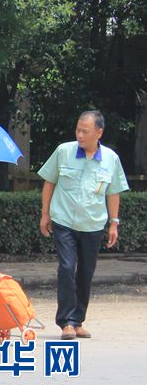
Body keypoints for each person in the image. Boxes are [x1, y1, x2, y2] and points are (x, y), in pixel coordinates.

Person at [38, 110, 129, 340]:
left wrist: (114, 223)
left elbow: (114, 192)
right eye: (78, 130)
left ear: (99, 132)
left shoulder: (111, 159)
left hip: (93, 224)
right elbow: (49, 182)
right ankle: (66, 322)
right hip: (64, 221)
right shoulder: (63, 151)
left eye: (85, 131)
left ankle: (78, 321)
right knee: (67, 268)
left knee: (86, 272)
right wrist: (45, 214)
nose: (79, 135)